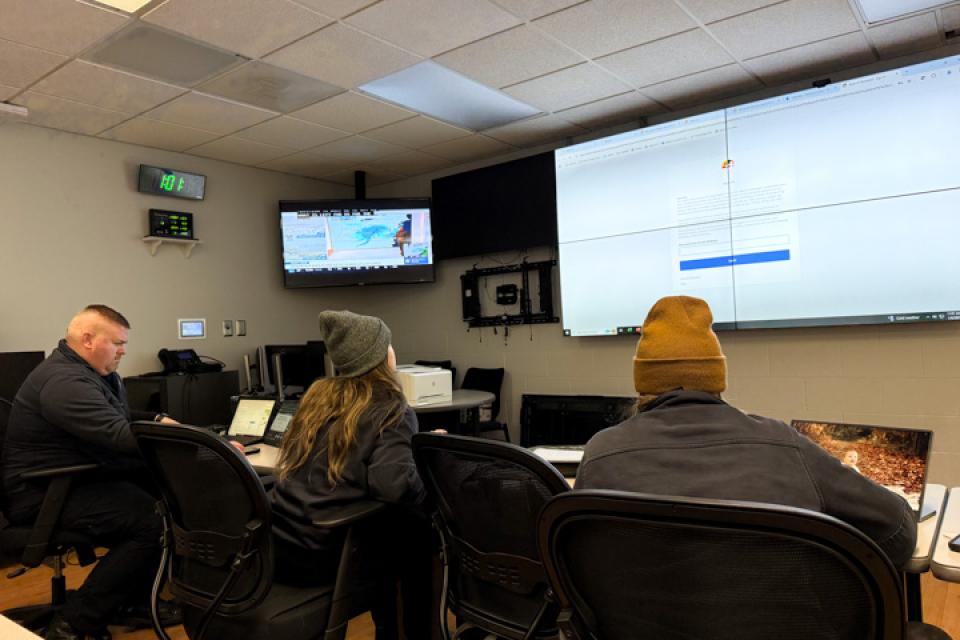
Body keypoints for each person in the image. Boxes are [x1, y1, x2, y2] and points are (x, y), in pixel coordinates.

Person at [576, 295, 917, 568]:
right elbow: (898, 533)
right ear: (717, 380)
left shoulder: (601, 456)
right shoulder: (784, 446)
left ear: (643, 385)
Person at [2, 305, 181, 640]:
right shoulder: (64, 381)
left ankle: (131, 603)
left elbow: (121, 415)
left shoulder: (91, 373)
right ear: (87, 340)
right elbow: (118, 434)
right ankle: (74, 625)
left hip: (73, 479)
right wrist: (191, 444)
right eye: (117, 343)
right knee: (151, 522)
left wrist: (156, 421)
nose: (124, 350)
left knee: (160, 498)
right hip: (43, 493)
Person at [269, 310, 435, 639]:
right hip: (331, 554)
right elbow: (394, 486)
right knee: (419, 531)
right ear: (381, 355)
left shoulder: (318, 399)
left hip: (285, 545)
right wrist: (427, 465)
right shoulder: (391, 406)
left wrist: (407, 452)